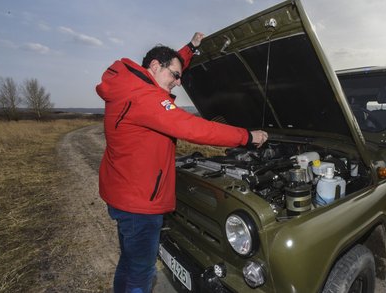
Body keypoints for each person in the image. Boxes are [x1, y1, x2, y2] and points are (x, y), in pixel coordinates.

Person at [96, 32, 268, 293]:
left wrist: (190, 48)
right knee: (141, 274)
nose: (178, 82)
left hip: (123, 192)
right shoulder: (146, 98)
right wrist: (246, 136)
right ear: (155, 67)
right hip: (140, 204)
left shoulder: (129, 85)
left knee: (130, 263)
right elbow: (193, 129)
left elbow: (170, 63)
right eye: (175, 76)